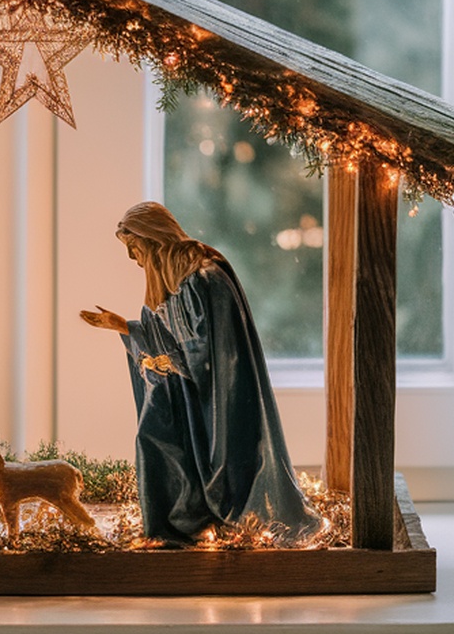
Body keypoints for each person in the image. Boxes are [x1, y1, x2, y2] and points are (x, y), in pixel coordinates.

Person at [80, 202, 319, 545]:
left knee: (155, 433)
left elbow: (205, 352)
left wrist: (167, 362)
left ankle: (185, 520)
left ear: (152, 241)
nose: (134, 260)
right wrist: (124, 327)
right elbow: (171, 335)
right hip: (192, 391)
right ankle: (177, 519)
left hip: (216, 401)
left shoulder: (204, 278)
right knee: (155, 424)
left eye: (134, 249)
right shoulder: (184, 280)